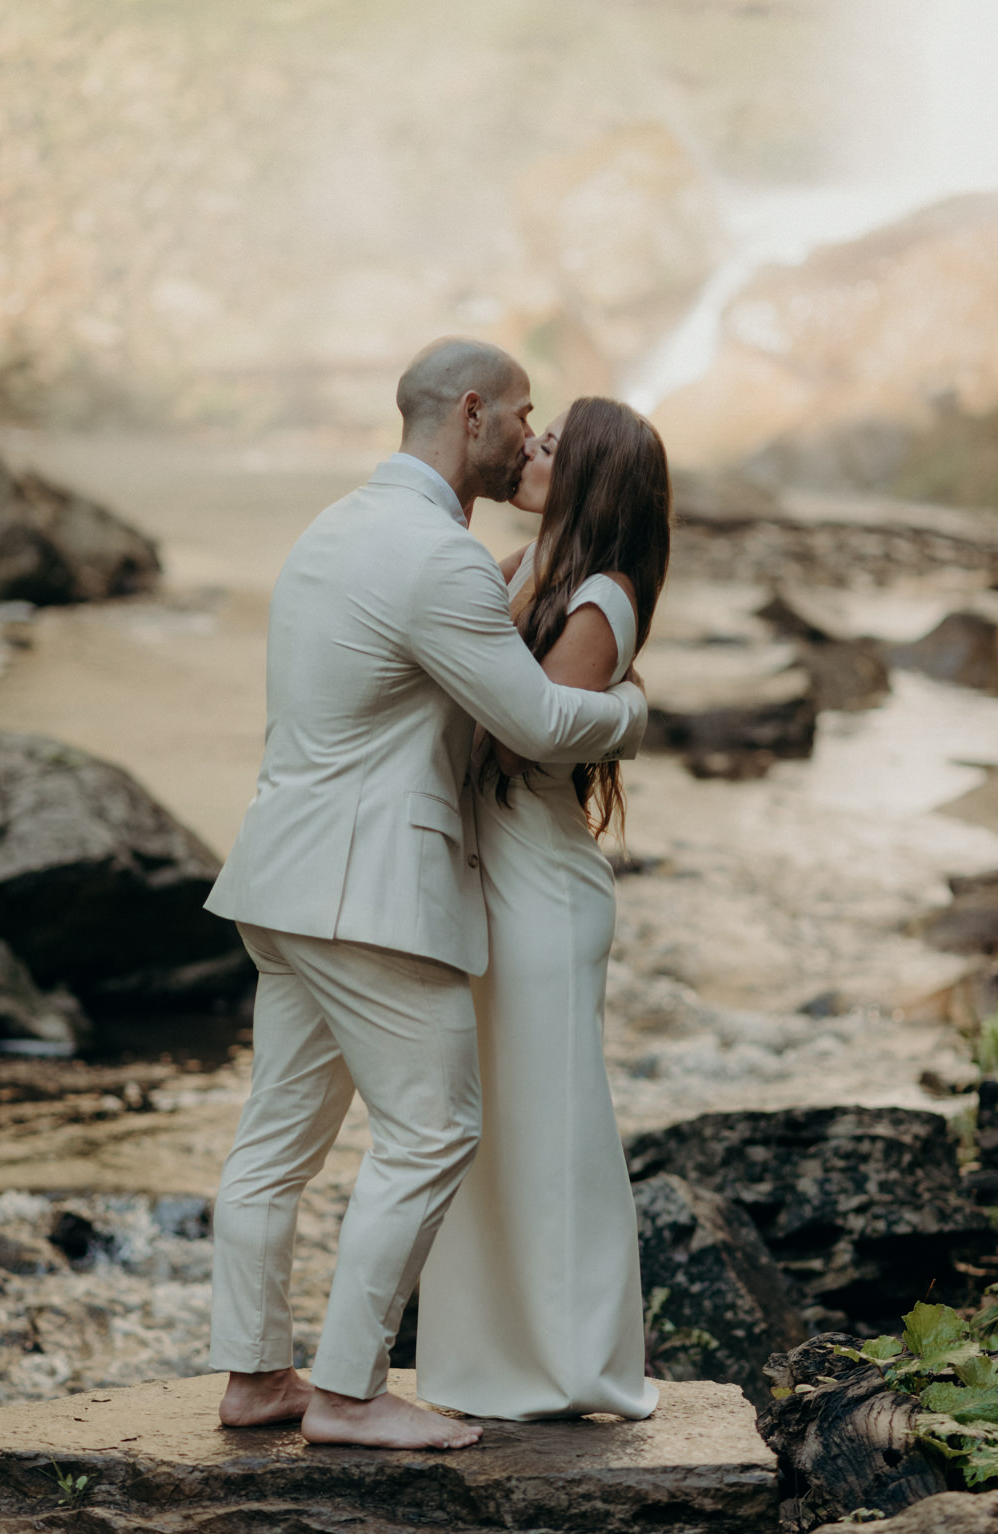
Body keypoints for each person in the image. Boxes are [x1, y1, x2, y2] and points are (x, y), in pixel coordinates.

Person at [204, 340, 651, 1450]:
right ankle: (351, 1392)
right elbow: (541, 721)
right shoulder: (439, 558)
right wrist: (634, 714)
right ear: (470, 415)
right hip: (371, 893)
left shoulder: (331, 529)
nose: (527, 435)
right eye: (520, 416)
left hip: (277, 876)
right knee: (434, 1128)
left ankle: (258, 1376)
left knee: (272, 1146)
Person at [417, 396, 671, 1421]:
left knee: (554, 1126)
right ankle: (485, 1365)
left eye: (554, 443)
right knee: (489, 1128)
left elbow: (524, 735)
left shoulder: (602, 597)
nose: (532, 447)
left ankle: (575, 1366)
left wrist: (623, 715)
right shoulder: (525, 569)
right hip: (495, 880)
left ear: (593, 476)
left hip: (543, 889)